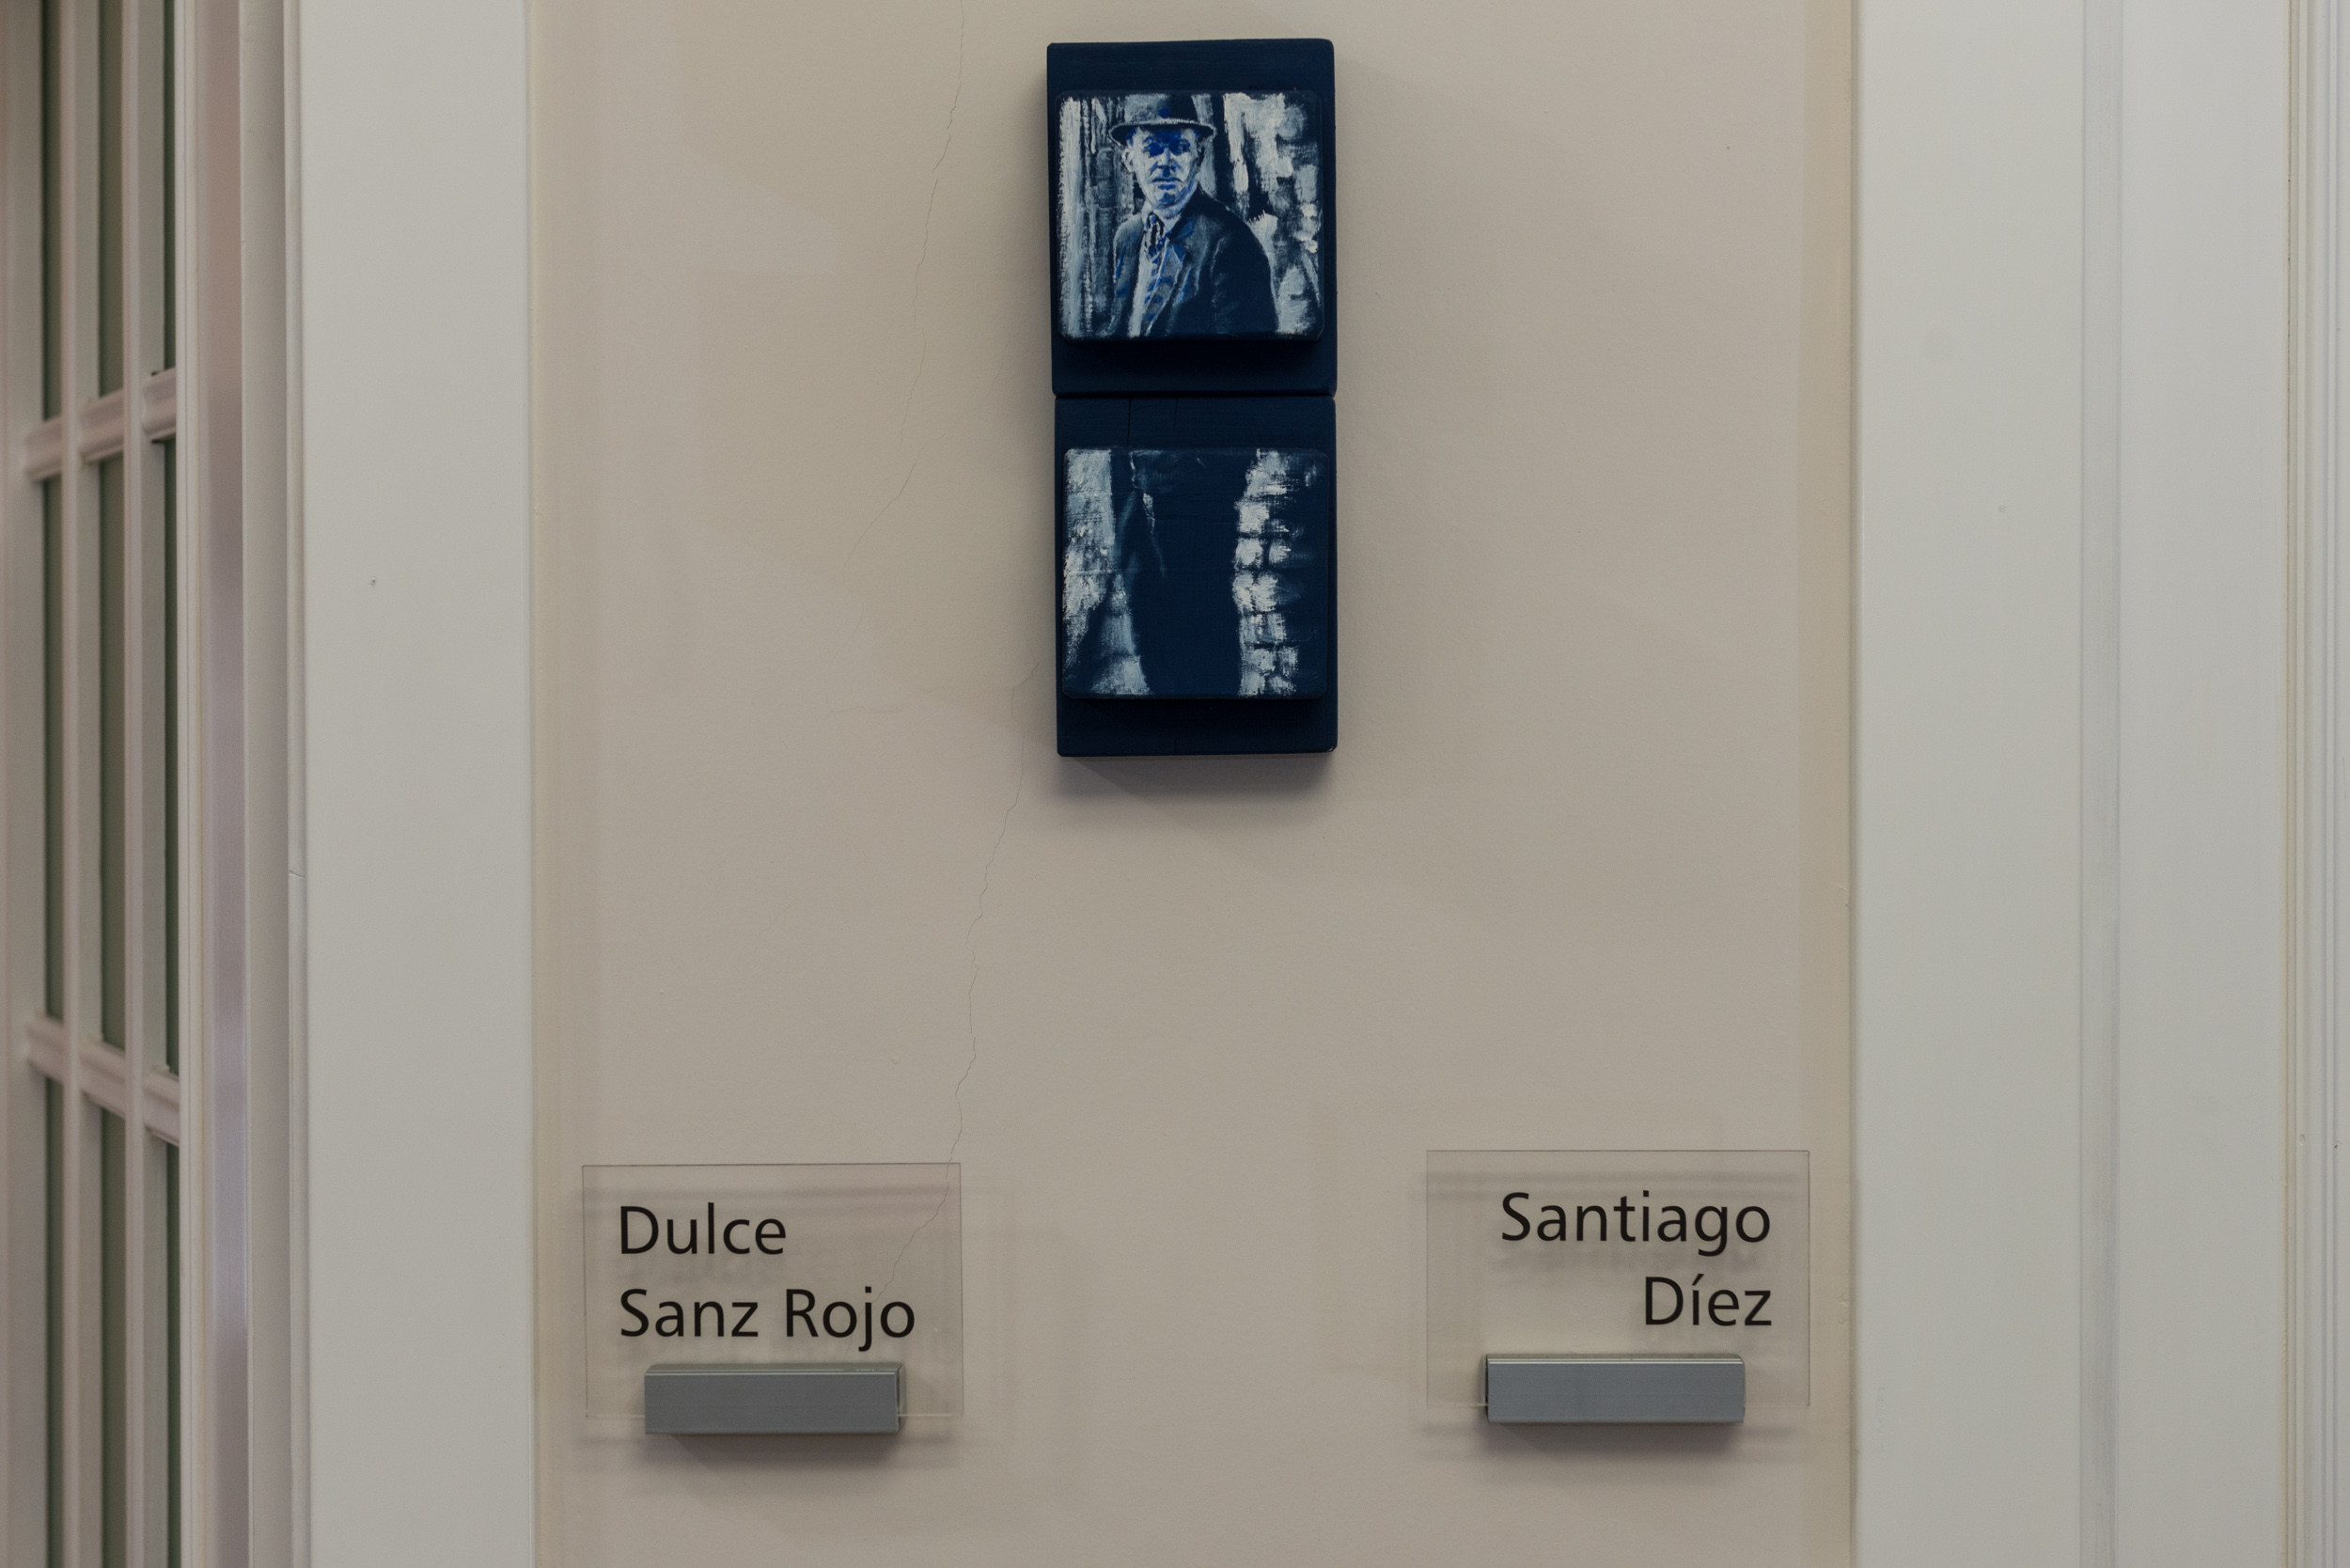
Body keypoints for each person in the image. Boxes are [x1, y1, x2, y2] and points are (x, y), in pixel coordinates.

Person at [1104, 96, 1279, 337]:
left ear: (1199, 157)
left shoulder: (1232, 242)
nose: (1165, 162)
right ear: (1130, 161)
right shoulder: (1127, 236)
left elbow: (1248, 352)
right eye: (1151, 149)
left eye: (1179, 148)